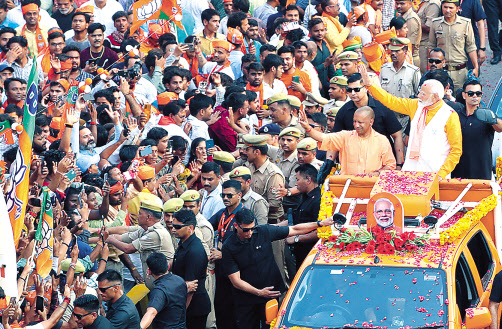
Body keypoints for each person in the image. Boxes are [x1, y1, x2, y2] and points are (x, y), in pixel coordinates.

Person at [221, 208, 335, 329]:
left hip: (270, 295)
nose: (250, 233)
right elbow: (236, 281)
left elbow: (294, 229)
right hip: (246, 300)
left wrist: (319, 224)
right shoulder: (229, 246)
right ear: (236, 226)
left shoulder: (263, 231)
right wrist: (259, 292)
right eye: (245, 230)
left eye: (252, 228)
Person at [360, 62, 462, 179]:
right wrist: (370, 85)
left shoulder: (450, 115)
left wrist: (441, 174)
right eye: (419, 92)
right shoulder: (416, 105)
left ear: (435, 97)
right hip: (411, 169)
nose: (419, 96)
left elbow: (456, 151)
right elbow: (391, 101)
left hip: (435, 172)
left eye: (423, 94)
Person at [334, 73, 405, 168]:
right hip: (354, 163)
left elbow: (397, 135)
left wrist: (399, 164)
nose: (353, 93)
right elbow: (335, 138)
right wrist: (329, 161)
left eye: (357, 89)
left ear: (366, 88)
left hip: (382, 163)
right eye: (349, 90)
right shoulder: (343, 111)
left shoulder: (382, 108)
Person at [301, 106, 396, 175]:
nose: (356, 125)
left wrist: (377, 173)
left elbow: (390, 166)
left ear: (371, 122)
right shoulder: (345, 137)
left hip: (372, 188)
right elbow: (323, 138)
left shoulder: (382, 140)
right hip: (347, 187)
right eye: (354, 121)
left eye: (360, 122)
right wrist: (307, 128)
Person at [451, 80, 502, 180]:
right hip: (458, 170)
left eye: (478, 93)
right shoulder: (456, 115)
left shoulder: (486, 115)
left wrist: (494, 120)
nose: (475, 96)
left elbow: (500, 128)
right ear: (464, 95)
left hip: (481, 171)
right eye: (471, 93)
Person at [172, 209, 211, 329]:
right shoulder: (185, 243)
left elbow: (191, 287)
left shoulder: (194, 250)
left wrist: (181, 313)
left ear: (190, 228)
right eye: (173, 226)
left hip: (194, 308)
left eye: (177, 227)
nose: (173, 229)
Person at [429, 0, 478, 90]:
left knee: (459, 100)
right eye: (445, 7)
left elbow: (471, 47)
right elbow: (431, 47)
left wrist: (476, 67)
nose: (448, 10)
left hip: (460, 72)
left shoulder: (465, 23)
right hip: (441, 71)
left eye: (451, 8)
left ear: (457, 9)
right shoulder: (435, 23)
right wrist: (431, 67)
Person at [140, 252, 188, 329]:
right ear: (167, 267)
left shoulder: (158, 290)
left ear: (149, 271)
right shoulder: (180, 280)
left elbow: (151, 312)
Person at [287, 163, 321, 269]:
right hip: (299, 252)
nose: (295, 183)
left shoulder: (318, 200)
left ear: (308, 180)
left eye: (297, 179)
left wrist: (297, 238)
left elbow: (320, 231)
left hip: (310, 253)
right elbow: (297, 218)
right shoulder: (304, 196)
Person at [417, 0, 441, 73]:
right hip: (420, 43)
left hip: (425, 44)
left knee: (423, 72)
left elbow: (430, 28)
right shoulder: (425, 2)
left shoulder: (433, 4)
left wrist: (414, 23)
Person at [395, 0, 421, 66]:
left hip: (410, 58)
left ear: (410, 4)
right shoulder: (403, 16)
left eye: (402, 4)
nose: (398, 6)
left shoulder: (411, 19)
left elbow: (410, 44)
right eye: (397, 4)